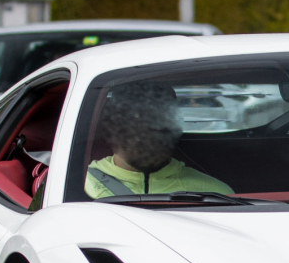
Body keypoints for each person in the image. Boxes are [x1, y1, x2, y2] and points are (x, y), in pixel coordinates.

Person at [83, 82, 234, 198]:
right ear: (111, 129)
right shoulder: (79, 186)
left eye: (156, 125)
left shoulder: (215, 194)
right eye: (132, 125)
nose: (144, 137)